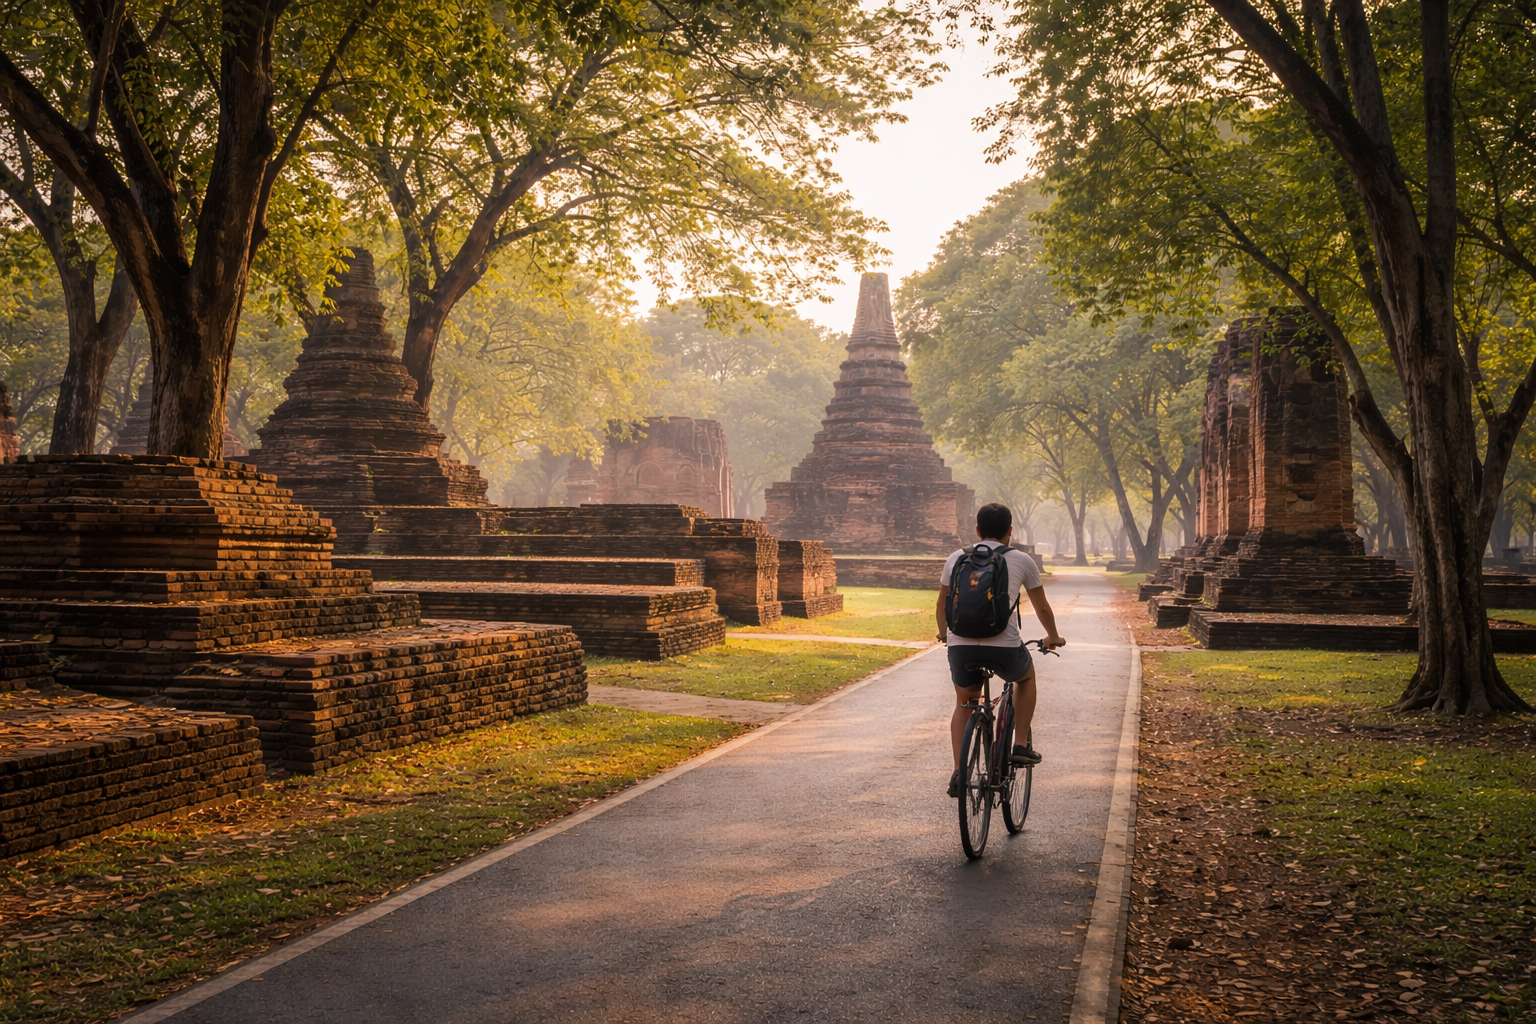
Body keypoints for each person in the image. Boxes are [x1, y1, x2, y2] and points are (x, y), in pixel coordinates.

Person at [936, 503, 1065, 797]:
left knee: (964, 702)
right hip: (1004, 648)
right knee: (1026, 678)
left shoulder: (956, 558)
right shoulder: (1022, 560)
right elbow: (1041, 606)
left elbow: (942, 602)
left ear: (977, 530)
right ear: (1010, 531)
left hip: (961, 647)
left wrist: (945, 633)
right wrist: (1053, 636)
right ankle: (1020, 745)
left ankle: (959, 772)